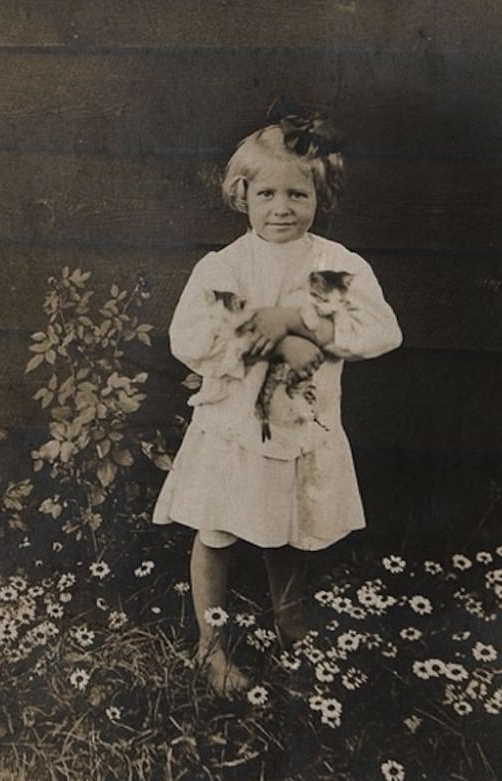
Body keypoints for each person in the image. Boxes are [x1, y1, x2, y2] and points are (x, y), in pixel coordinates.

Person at [153, 98, 403, 696]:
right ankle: (210, 649)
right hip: (234, 427)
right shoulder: (227, 267)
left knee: (288, 533)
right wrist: (273, 343)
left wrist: (299, 322)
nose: (282, 208)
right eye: (266, 195)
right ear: (242, 195)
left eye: (298, 194)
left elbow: (379, 332)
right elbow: (191, 339)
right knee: (216, 532)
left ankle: (294, 632)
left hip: (302, 426)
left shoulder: (333, 266)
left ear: (321, 197)